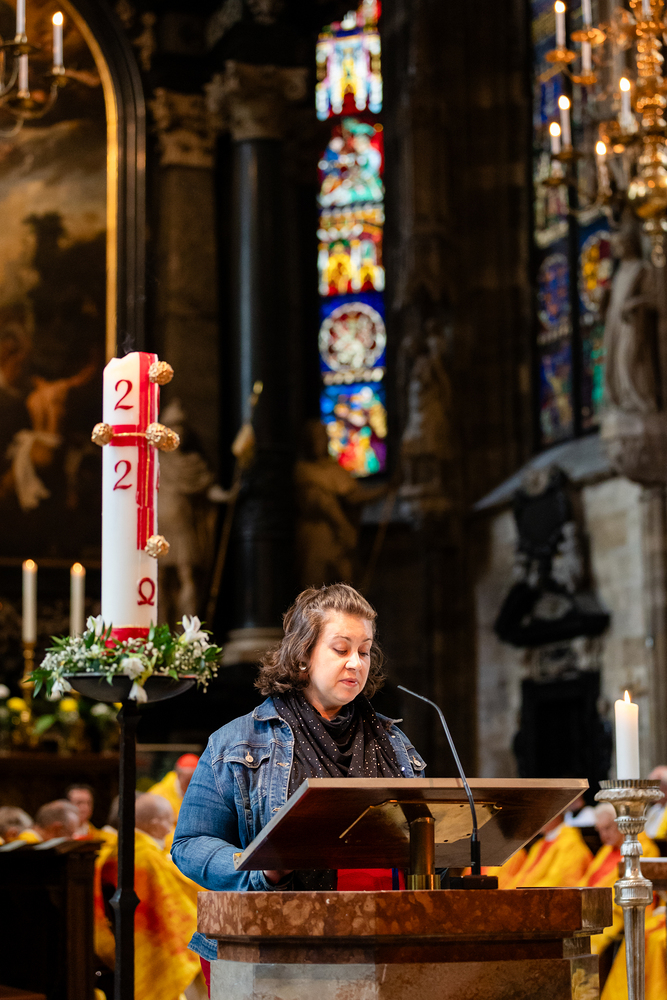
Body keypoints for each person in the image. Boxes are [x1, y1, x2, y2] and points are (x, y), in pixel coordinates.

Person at [171, 583, 427, 983]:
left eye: (364, 651)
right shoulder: (238, 741)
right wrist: (261, 870)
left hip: (389, 944)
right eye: (341, 649)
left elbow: (426, 835)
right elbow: (190, 844)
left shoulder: (394, 743)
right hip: (276, 947)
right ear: (303, 655)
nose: (356, 663)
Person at [94, 793, 202, 1000]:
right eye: (170, 821)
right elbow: (178, 905)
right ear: (156, 824)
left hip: (128, 939)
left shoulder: (125, 849)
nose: (171, 829)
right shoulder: (146, 857)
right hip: (152, 941)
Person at [504, 811, 592, 889]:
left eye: (540, 814)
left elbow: (561, 879)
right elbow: (524, 876)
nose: (536, 819)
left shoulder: (570, 843)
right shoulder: (538, 846)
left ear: (555, 814)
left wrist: (523, 893)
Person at [148, 754, 200, 822]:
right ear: (178, 775)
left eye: (196, 780)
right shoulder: (157, 795)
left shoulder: (204, 793)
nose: (192, 784)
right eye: (188, 780)